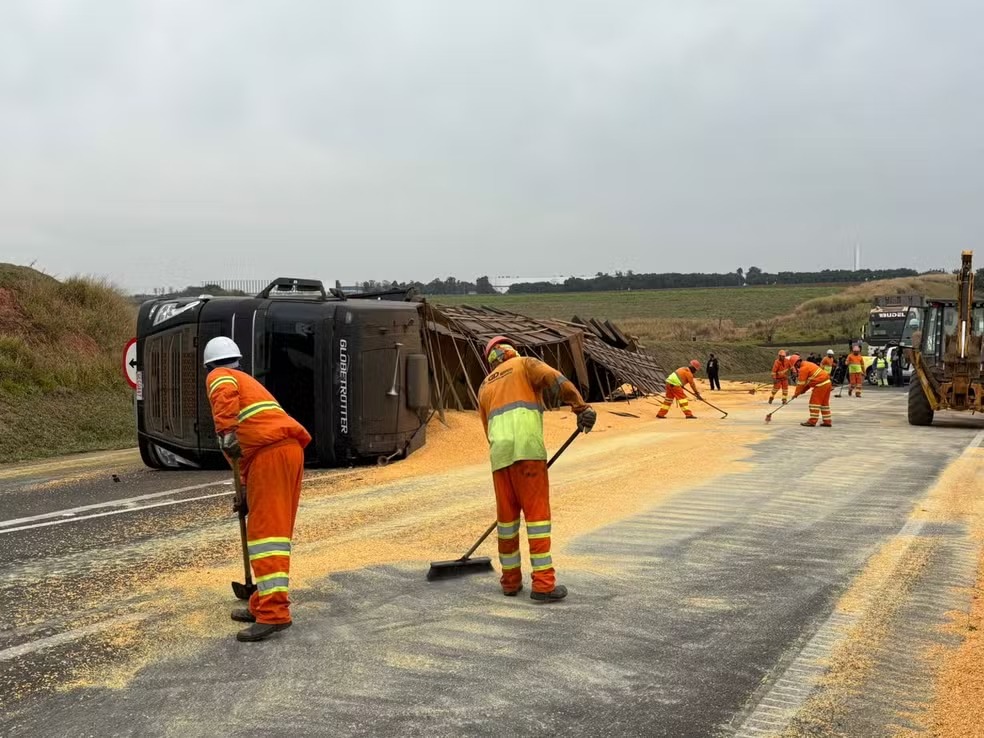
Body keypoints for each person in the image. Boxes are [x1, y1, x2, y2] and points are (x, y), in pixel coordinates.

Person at [203, 336, 312, 642]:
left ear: (209, 365)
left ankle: (274, 614)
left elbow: (222, 391)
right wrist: (246, 495)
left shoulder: (220, 376)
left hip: (271, 456)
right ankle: (262, 603)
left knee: (267, 537)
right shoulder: (247, 383)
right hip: (282, 454)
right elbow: (245, 458)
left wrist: (225, 431)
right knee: (273, 530)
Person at [478, 336, 596, 602]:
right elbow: (556, 380)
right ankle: (543, 585)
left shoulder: (484, 385)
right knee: (537, 518)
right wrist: (580, 407)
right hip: (528, 453)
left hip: (499, 458)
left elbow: (487, 428)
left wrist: (502, 451)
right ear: (510, 350)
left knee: (507, 523)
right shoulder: (524, 364)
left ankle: (510, 582)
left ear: (490, 359)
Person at [788, 354, 833, 427]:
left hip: (820, 385)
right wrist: (802, 392)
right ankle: (827, 421)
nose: (796, 368)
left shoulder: (803, 369)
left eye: (795, 366)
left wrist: (796, 393)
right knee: (824, 404)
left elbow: (801, 384)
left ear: (797, 363)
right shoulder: (808, 364)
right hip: (827, 383)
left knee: (814, 403)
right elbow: (808, 383)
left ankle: (812, 421)